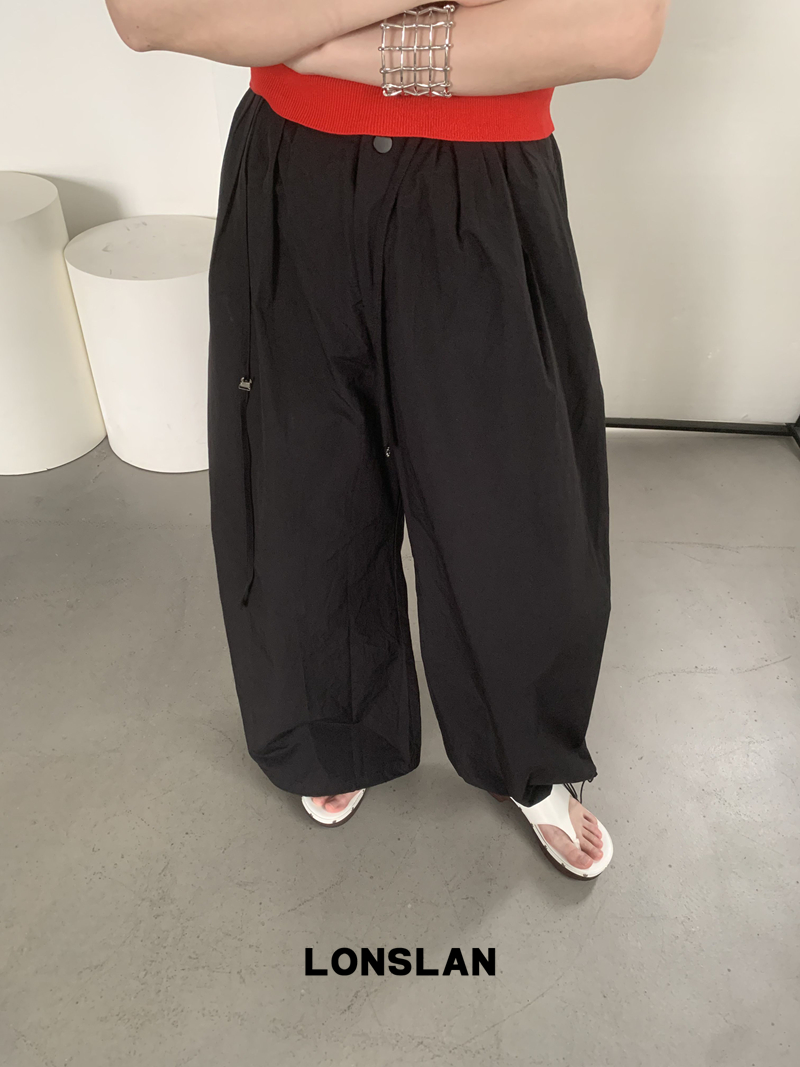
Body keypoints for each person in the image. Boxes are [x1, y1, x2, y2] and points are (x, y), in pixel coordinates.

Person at [107, 0, 670, 879]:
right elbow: (148, 14)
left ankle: (525, 748)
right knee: (303, 484)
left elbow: (620, 30)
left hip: (486, 182)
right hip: (296, 170)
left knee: (512, 506)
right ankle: (330, 724)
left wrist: (306, 36)